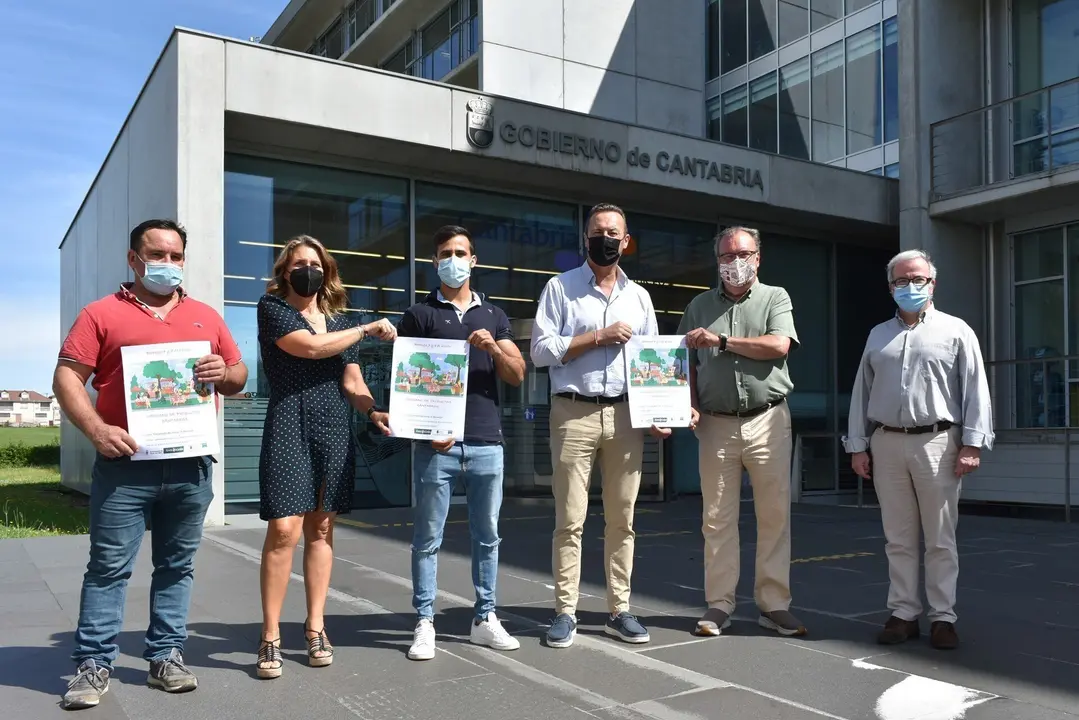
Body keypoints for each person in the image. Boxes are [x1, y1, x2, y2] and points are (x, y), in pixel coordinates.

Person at [53, 219, 249, 710]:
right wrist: (97, 430)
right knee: (108, 568)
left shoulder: (206, 316)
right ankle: (93, 663)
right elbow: (66, 378)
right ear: (133, 258)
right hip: (125, 467)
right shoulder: (100, 314)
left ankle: (166, 656)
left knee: (177, 567)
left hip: (191, 467)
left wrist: (224, 372)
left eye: (176, 255)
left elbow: (240, 374)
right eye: (156, 254)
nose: (167, 263)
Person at [254, 235, 396, 679]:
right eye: (299, 264)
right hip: (289, 421)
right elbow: (311, 348)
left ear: (326, 271)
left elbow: (352, 381)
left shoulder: (338, 320)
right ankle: (270, 634)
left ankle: (315, 625)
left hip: (333, 425)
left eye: (315, 264)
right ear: (285, 272)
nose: (307, 271)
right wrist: (368, 328)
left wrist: (372, 409)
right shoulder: (273, 309)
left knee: (322, 526)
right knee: (284, 529)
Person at [844, 249, 993, 651]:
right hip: (887, 441)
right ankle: (904, 613)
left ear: (933, 283)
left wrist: (973, 444)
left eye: (918, 279)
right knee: (898, 536)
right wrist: (858, 445)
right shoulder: (878, 334)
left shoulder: (956, 330)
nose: (909, 286)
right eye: (901, 280)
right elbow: (863, 391)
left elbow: (975, 388)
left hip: (938, 441)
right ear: (890, 286)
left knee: (941, 537)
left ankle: (943, 617)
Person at [530, 203, 659, 649]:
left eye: (613, 233)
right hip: (573, 412)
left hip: (625, 415)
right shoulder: (560, 288)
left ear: (626, 242)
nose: (604, 238)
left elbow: (652, 362)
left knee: (622, 519)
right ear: (586, 239)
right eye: (597, 231)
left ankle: (619, 609)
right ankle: (565, 610)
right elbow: (541, 351)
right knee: (570, 519)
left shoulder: (639, 297)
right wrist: (596, 338)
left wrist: (659, 413)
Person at [397, 225, 526, 661]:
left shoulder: (493, 315)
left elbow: (518, 373)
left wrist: (494, 347)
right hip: (438, 446)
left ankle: (484, 618)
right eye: (445, 252)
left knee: (487, 536)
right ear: (435, 262)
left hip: (487, 442)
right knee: (427, 538)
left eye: (461, 252)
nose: (453, 259)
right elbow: (408, 384)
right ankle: (425, 621)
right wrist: (427, 431)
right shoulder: (419, 314)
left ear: (474, 260)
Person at [678, 226, 805, 639]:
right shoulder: (698, 305)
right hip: (715, 422)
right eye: (727, 256)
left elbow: (779, 345)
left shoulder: (776, 297)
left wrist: (724, 340)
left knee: (774, 515)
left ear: (758, 258)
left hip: (768, 418)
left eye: (743, 254)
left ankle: (774, 604)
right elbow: (683, 363)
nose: (735, 263)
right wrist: (689, 403)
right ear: (716, 261)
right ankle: (719, 605)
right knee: (716, 518)